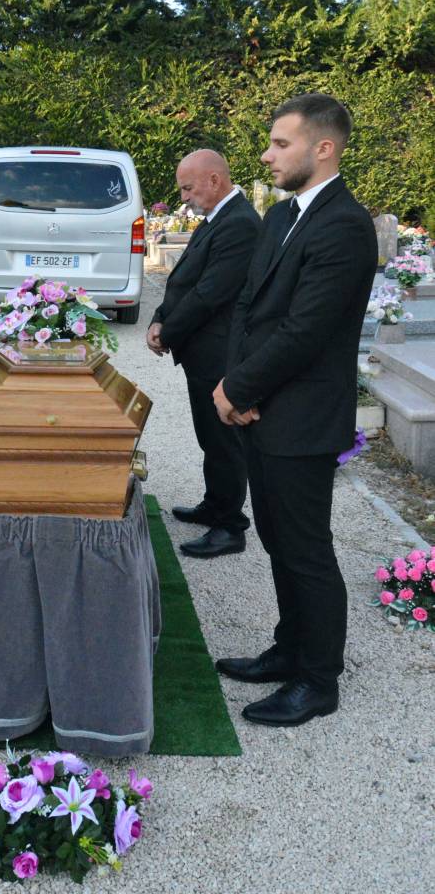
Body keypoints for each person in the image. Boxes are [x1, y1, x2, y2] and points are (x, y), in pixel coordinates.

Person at [213, 93, 377, 727]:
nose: (267, 154)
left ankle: (318, 679)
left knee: (305, 548)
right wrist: (235, 385)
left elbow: (307, 330)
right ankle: (289, 648)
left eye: (281, 143)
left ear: (324, 148)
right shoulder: (283, 215)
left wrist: (240, 390)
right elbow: (249, 306)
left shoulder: (346, 225)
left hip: (303, 415)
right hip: (260, 406)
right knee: (277, 537)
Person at [147, 151, 261, 558]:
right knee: (210, 437)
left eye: (188, 188)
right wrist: (159, 317)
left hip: (219, 352)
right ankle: (215, 505)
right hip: (203, 350)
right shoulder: (219, 218)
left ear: (214, 180)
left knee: (223, 441)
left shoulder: (241, 224)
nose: (184, 198)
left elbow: (210, 293)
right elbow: (183, 278)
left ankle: (229, 526)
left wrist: (167, 331)